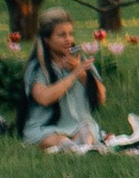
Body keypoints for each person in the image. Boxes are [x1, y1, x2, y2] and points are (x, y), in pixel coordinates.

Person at [20, 9, 105, 148]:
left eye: (71, 34)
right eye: (62, 35)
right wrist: (73, 75)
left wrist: (82, 74)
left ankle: (81, 146)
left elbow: (101, 98)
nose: (69, 40)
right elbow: (44, 98)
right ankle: (73, 147)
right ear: (47, 40)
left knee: (87, 136)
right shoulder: (38, 68)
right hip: (46, 129)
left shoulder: (80, 62)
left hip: (79, 126)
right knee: (61, 142)